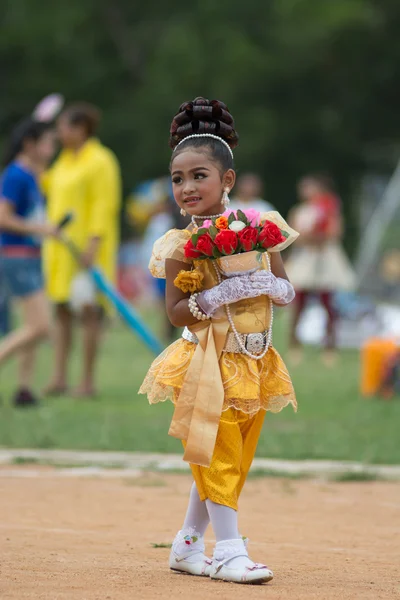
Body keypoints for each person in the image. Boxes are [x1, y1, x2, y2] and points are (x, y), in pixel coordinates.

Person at [139, 97, 298, 584]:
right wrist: (218, 294)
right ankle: (229, 550)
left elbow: (287, 289)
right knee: (219, 449)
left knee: (231, 455)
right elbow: (173, 312)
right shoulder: (178, 245)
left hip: (254, 358)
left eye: (198, 175)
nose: (186, 187)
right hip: (206, 360)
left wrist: (269, 285)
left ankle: (188, 545)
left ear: (227, 179)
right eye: (178, 179)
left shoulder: (258, 228)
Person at [42, 103, 122, 397]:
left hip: (88, 250)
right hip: (60, 251)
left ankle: (87, 381)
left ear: (81, 129)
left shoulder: (100, 160)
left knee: (89, 312)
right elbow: (46, 187)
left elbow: (105, 203)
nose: (59, 133)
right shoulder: (62, 161)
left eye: (64, 127)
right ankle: (59, 376)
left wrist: (94, 242)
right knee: (61, 309)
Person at [0, 118, 58, 406]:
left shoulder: (31, 175)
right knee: (40, 327)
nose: (51, 148)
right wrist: (41, 230)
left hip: (30, 256)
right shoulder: (16, 175)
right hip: (16, 256)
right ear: (29, 144)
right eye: (47, 142)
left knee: (31, 325)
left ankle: (23, 389)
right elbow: (3, 217)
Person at [285, 174, 355, 364]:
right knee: (298, 303)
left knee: (328, 304)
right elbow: (294, 234)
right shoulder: (299, 211)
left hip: (325, 258)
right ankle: (294, 346)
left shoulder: (330, 209)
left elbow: (334, 232)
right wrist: (308, 238)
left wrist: (319, 236)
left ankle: (330, 347)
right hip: (306, 257)